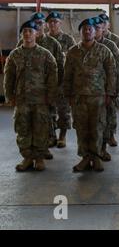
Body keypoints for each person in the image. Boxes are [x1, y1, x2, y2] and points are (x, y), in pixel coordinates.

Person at [4, 20, 58, 171]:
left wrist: (51, 96)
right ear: (22, 35)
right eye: (25, 31)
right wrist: (10, 96)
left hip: (41, 100)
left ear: (36, 34)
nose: (27, 34)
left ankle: (39, 158)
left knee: (41, 128)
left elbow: (52, 77)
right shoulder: (15, 55)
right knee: (23, 129)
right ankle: (27, 158)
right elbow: (9, 77)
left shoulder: (45, 55)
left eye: (30, 31)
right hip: (22, 99)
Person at [64, 18, 116, 172]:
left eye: (90, 29)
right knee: (81, 128)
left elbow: (111, 73)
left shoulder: (104, 50)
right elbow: (67, 75)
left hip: (98, 97)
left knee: (97, 127)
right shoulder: (73, 52)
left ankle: (96, 157)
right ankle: (85, 157)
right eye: (84, 29)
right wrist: (68, 95)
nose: (87, 31)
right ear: (80, 32)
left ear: (95, 31)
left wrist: (110, 93)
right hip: (79, 97)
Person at [17, 12, 64, 158]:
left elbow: (59, 68)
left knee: (48, 117)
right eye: (35, 23)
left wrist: (56, 87)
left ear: (44, 25)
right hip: (27, 92)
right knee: (32, 121)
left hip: (47, 89)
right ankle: (37, 150)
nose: (38, 25)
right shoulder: (21, 44)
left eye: (40, 23)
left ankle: (46, 146)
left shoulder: (53, 44)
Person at [93, 16, 119, 161]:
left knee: (109, 114)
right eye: (98, 26)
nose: (101, 27)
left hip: (108, 87)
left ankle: (109, 136)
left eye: (102, 24)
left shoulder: (113, 44)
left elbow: (118, 68)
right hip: (93, 90)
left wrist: (116, 88)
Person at [46, 11, 76, 148]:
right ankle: (51, 136)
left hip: (63, 80)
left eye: (55, 21)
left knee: (64, 110)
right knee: (48, 110)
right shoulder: (43, 40)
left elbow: (75, 59)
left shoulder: (68, 40)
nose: (53, 24)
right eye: (50, 21)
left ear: (60, 23)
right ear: (47, 24)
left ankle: (62, 136)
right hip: (46, 81)